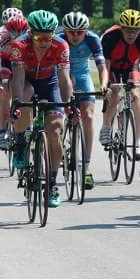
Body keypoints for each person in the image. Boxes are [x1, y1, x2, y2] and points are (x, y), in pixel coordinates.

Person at [9, 10, 72, 208]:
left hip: (49, 82)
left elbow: (64, 78)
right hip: (27, 80)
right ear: (30, 33)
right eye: (38, 37)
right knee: (25, 97)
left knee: (55, 131)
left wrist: (69, 103)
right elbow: (18, 77)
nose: (44, 42)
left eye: (48, 37)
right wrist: (17, 102)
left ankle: (52, 184)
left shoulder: (61, 45)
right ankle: (20, 142)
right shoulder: (19, 45)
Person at [56, 11, 108, 190]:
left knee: (88, 115)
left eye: (80, 32)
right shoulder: (59, 39)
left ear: (86, 31)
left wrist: (103, 85)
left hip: (83, 75)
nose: (76, 36)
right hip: (63, 75)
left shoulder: (93, 39)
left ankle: (86, 168)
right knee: (59, 115)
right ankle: (60, 146)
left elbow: (102, 67)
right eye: (72, 32)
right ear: (65, 31)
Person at [99, 9, 140, 166]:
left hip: (130, 68)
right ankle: (106, 127)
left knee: (136, 96)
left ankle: (137, 143)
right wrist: (105, 84)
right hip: (112, 67)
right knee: (115, 94)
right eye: (127, 30)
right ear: (121, 28)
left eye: (135, 30)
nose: (131, 34)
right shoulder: (110, 37)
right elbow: (104, 65)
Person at [0, 13, 29, 149]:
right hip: (7, 63)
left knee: (28, 91)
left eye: (21, 34)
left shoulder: (31, 39)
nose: (17, 38)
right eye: (14, 35)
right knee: (5, 92)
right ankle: (3, 131)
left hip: (24, 64)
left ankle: (28, 124)